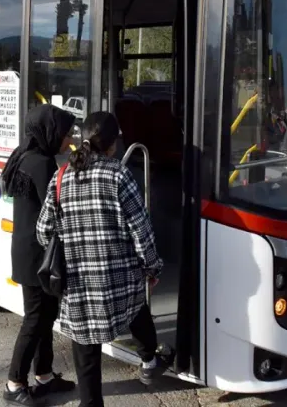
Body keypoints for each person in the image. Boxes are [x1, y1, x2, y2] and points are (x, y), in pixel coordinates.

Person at [36, 111, 173, 407]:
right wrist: (152, 265)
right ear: (112, 145)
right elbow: (142, 230)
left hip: (78, 287)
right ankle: (149, 361)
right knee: (138, 312)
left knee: (87, 359)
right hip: (119, 281)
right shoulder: (118, 175)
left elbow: (43, 231)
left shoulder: (60, 177)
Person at [0, 104, 78, 407]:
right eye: (66, 134)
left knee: (45, 316)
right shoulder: (43, 163)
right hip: (38, 255)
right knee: (35, 319)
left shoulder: (23, 156)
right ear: (49, 132)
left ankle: (44, 375)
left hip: (27, 252)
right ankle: (14, 382)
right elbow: (55, 211)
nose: (69, 140)